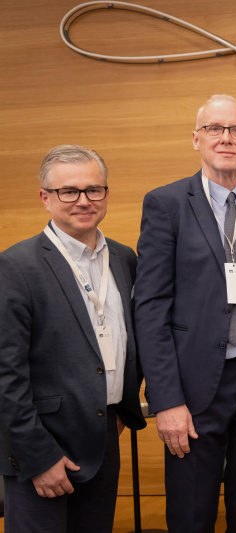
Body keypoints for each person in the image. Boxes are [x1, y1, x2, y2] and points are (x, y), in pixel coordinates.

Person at [134, 94, 236, 532]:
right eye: (215, 128)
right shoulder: (166, 203)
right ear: (196, 139)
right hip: (194, 383)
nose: (226, 137)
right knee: (192, 507)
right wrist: (166, 399)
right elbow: (150, 307)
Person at [0, 145, 146, 532]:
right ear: (45, 198)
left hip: (102, 439)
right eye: (69, 191)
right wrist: (38, 457)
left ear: (106, 195)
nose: (83, 201)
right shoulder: (15, 266)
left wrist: (122, 409)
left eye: (93, 189)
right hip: (44, 449)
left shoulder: (124, 258)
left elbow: (134, 342)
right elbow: (5, 377)